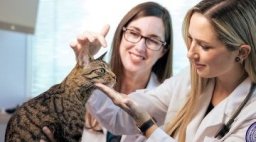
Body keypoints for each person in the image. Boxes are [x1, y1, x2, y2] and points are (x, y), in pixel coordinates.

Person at [43, 0, 256, 141]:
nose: (190, 54)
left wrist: (147, 126)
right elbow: (119, 117)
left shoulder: (251, 112)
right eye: (190, 40)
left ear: (242, 52)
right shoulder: (189, 81)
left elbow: (139, 119)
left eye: (205, 46)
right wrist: (86, 67)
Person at [41, 2, 173, 142]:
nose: (140, 47)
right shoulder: (84, 89)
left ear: (163, 52)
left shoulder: (167, 106)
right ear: (121, 35)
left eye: (153, 40)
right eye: (134, 33)